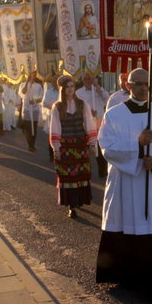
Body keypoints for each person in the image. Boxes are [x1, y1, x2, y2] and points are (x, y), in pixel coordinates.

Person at [96, 68, 152, 304]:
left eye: (146, 84)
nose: (143, 88)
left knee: (151, 230)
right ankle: (125, 278)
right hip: (125, 182)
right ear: (128, 86)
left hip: (151, 184)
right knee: (125, 226)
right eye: (138, 84)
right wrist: (137, 144)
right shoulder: (114, 114)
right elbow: (107, 147)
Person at [50, 75, 97, 218]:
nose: (70, 90)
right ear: (62, 89)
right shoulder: (57, 107)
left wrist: (93, 143)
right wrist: (56, 147)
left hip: (80, 146)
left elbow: (89, 123)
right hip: (65, 146)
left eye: (72, 87)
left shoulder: (83, 104)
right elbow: (55, 128)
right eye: (67, 87)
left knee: (80, 175)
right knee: (68, 176)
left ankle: (80, 200)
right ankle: (71, 205)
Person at [76, 73, 109, 177]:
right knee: (86, 148)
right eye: (85, 79)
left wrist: (97, 86)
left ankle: (102, 170)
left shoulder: (98, 90)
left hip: (99, 121)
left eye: (89, 79)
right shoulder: (79, 92)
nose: (88, 81)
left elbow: (106, 98)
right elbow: (78, 106)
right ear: (83, 80)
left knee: (100, 146)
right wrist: (89, 111)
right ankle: (86, 170)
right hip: (86, 122)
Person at [18, 70, 44, 152]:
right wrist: (27, 82)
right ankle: (30, 145)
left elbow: (40, 97)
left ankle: (32, 144)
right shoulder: (22, 85)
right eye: (31, 74)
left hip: (35, 109)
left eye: (34, 74)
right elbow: (23, 92)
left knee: (34, 128)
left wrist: (34, 101)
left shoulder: (38, 86)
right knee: (27, 128)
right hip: (26, 109)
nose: (32, 76)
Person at [42, 75, 60, 162]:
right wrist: (54, 107)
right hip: (52, 116)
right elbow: (44, 103)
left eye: (57, 81)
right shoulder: (48, 92)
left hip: (62, 116)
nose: (55, 83)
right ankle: (51, 154)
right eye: (53, 82)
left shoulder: (63, 91)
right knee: (52, 136)